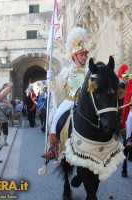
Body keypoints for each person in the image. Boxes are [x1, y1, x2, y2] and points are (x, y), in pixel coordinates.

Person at [41, 27, 89, 160]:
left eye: (85, 55)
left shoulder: (89, 72)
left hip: (86, 102)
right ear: (74, 56)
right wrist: (50, 78)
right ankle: (53, 147)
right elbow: (56, 87)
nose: (84, 57)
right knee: (56, 118)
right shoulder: (67, 71)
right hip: (70, 101)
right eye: (82, 55)